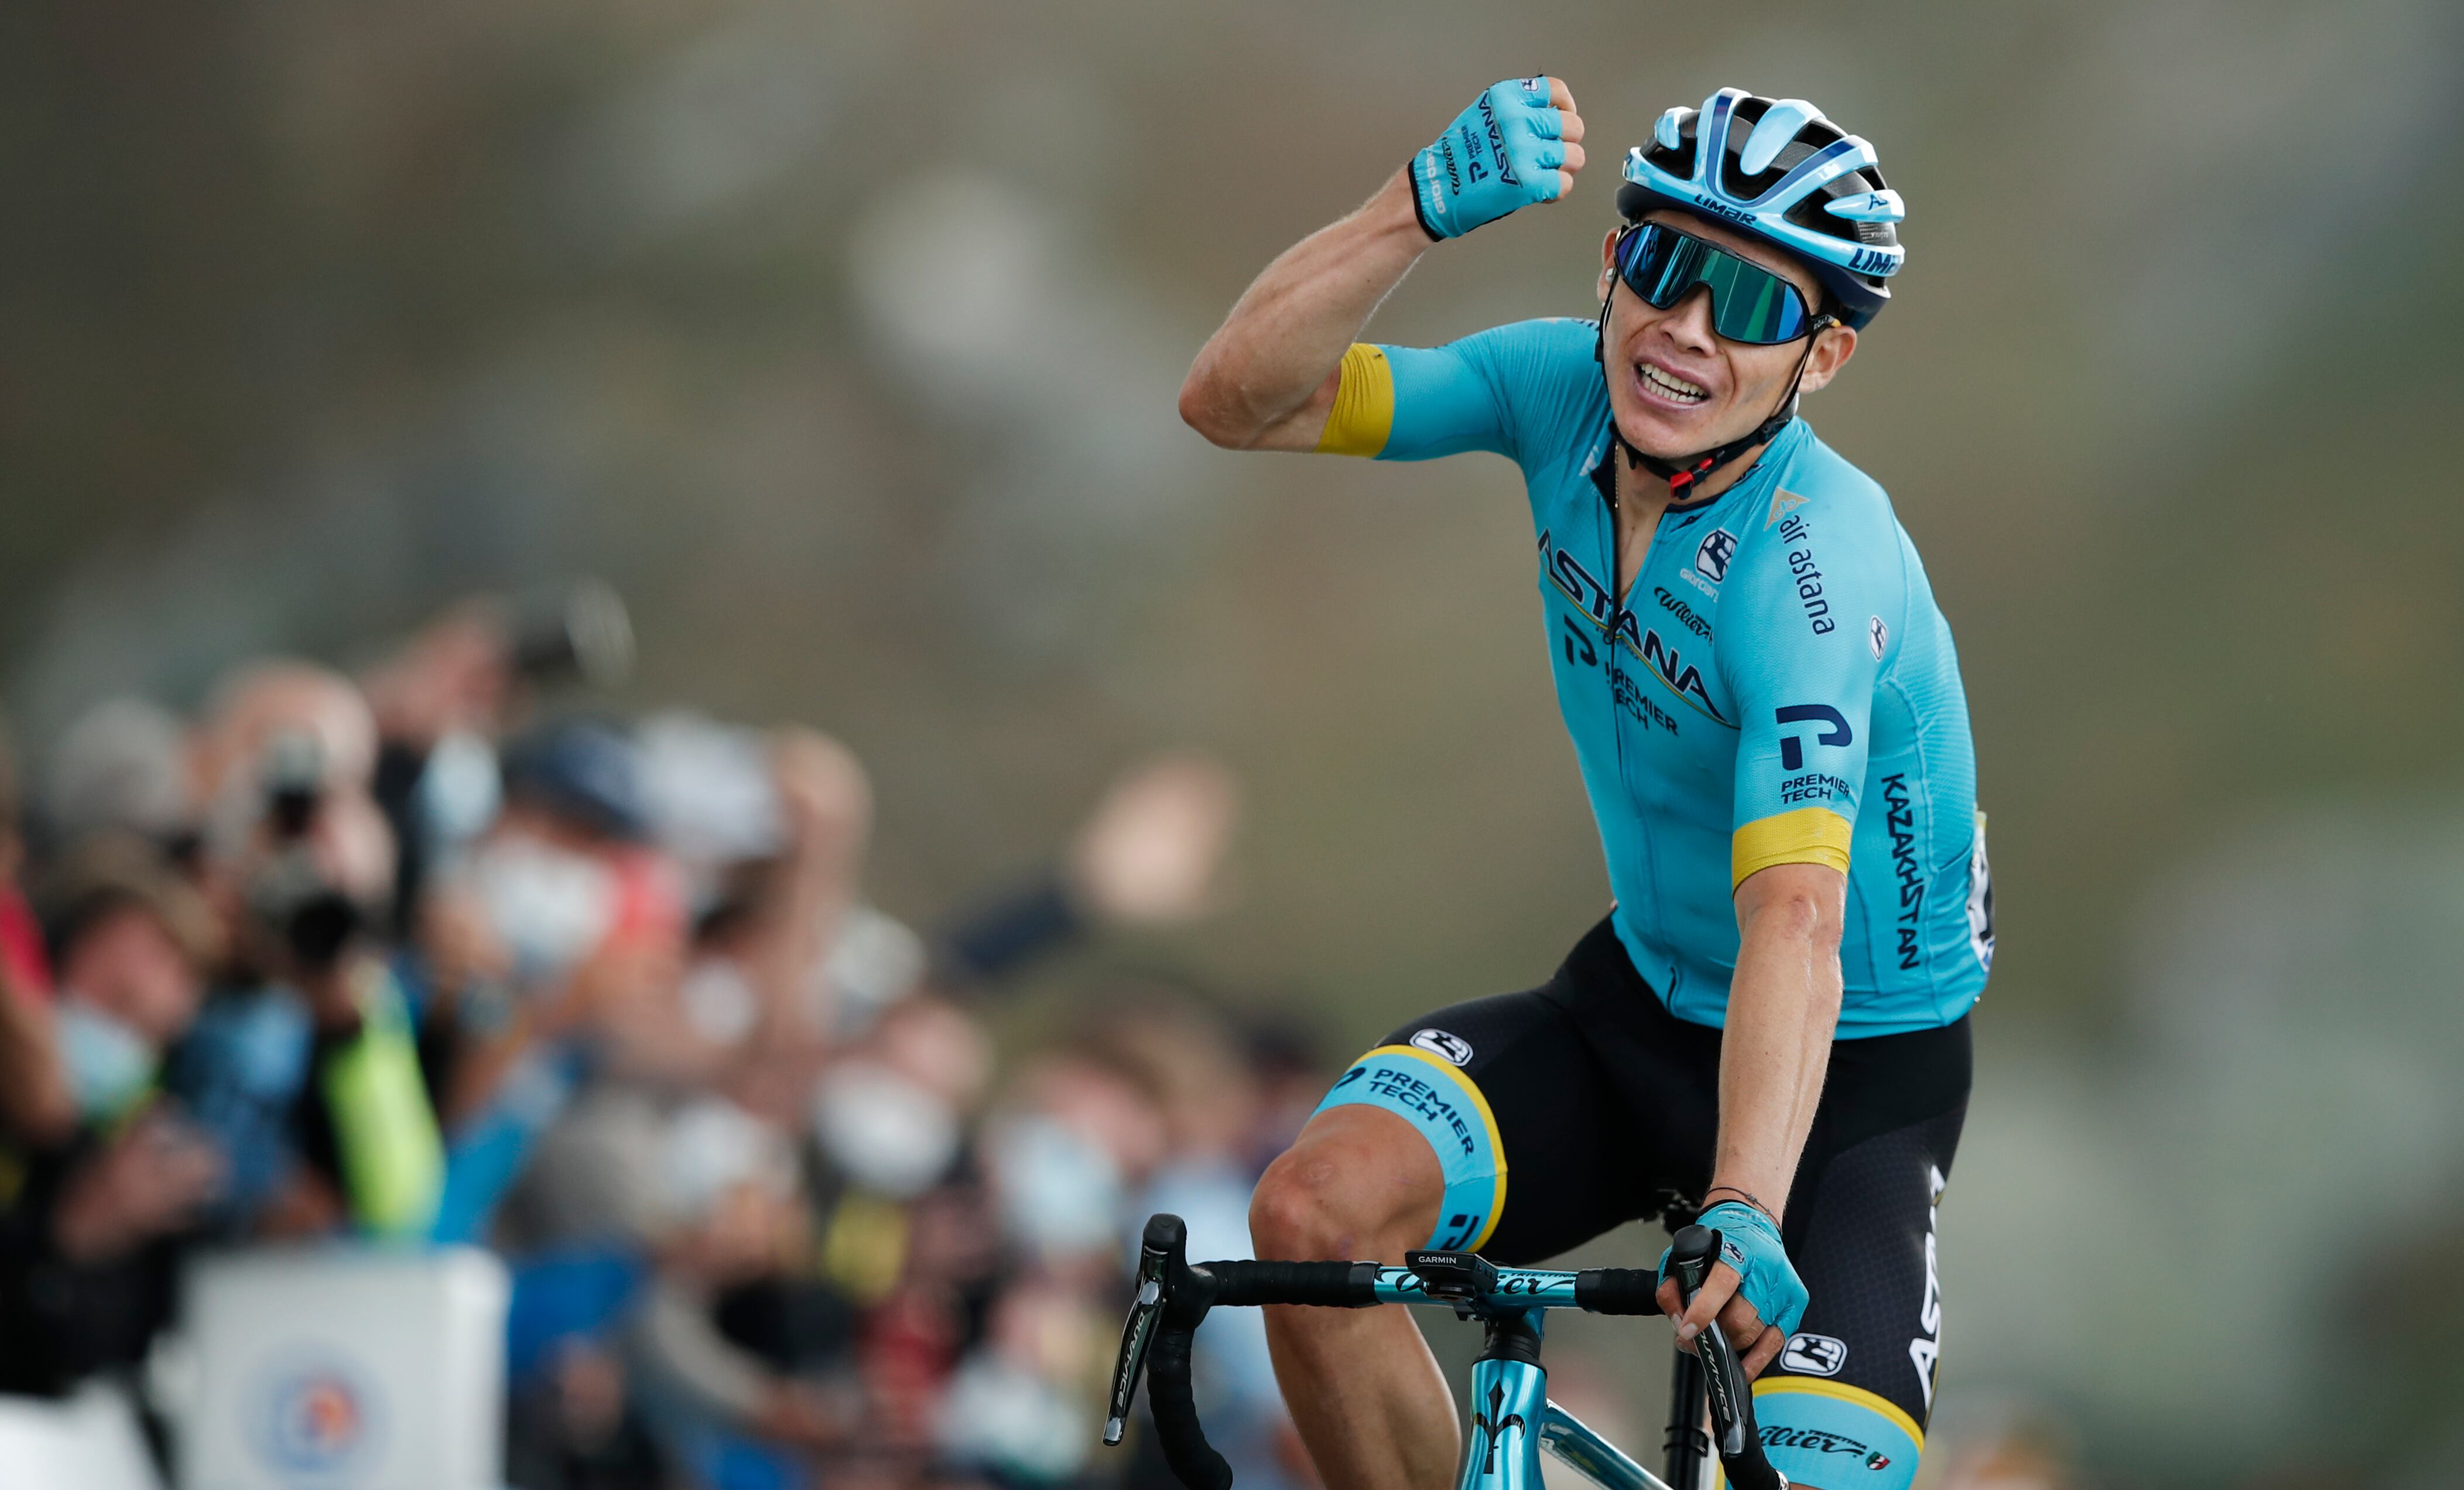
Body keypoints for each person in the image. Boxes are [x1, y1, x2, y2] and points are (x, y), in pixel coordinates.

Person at [1182, 80, 1987, 1490]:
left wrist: (1746, 1200)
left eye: (1747, 304)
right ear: (1610, 269)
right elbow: (1234, 402)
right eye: (1665, 267)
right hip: (1632, 1005)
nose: (1684, 330)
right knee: (1311, 1215)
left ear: (1825, 356)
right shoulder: (1552, 388)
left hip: (1845, 1085)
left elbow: (1796, 913)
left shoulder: (1815, 567)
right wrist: (1406, 214)